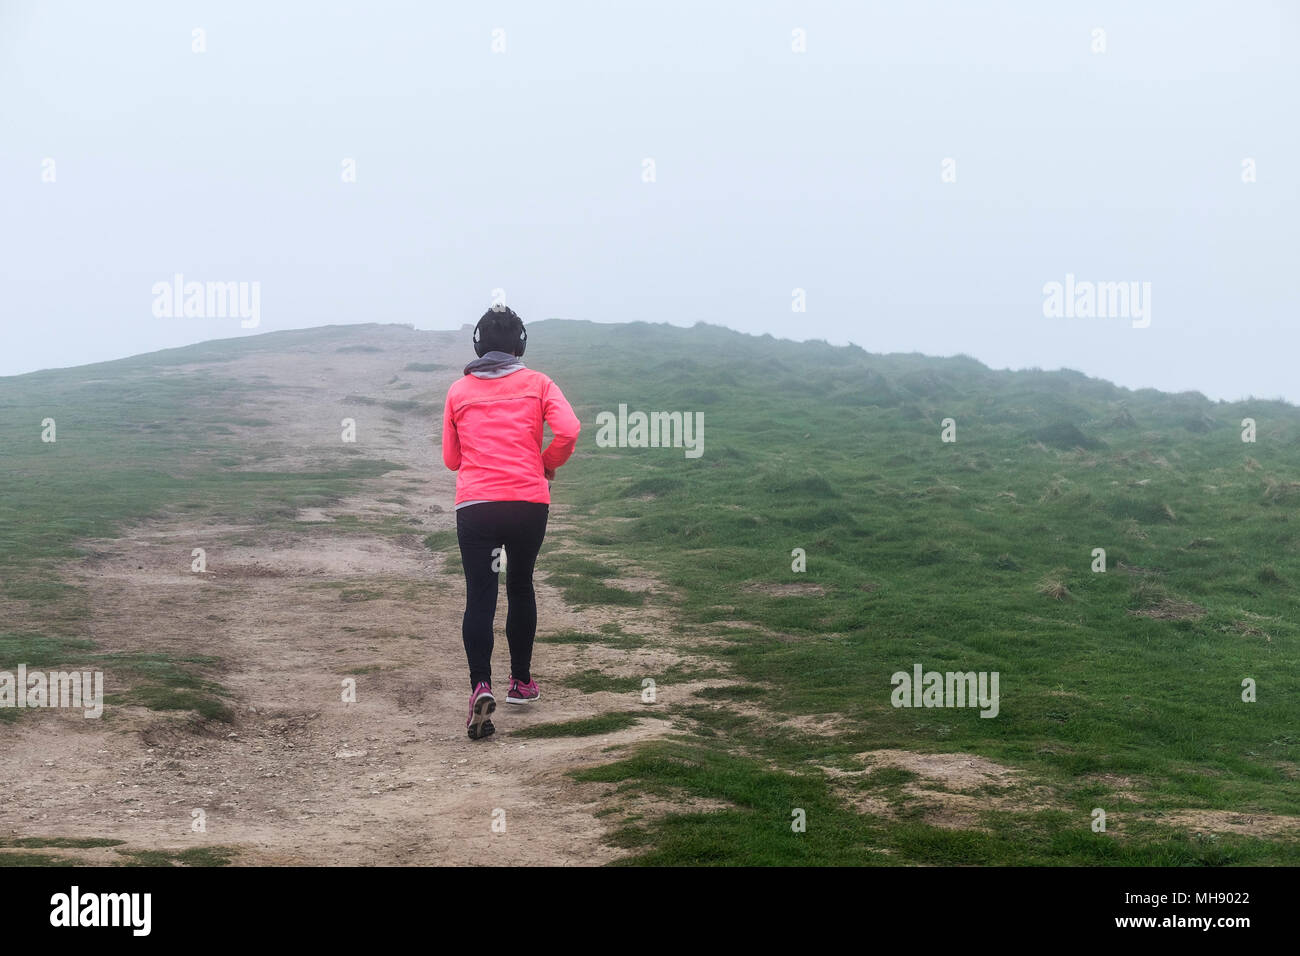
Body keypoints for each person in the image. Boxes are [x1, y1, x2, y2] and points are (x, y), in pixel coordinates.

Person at [441, 307, 581, 739]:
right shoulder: (539, 383)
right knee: (520, 585)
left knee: (480, 596)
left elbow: (451, 460)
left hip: (477, 505)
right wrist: (543, 464)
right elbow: (570, 430)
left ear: (478, 345)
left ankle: (480, 686)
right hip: (527, 503)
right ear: (520, 344)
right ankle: (520, 682)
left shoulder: (458, 391)